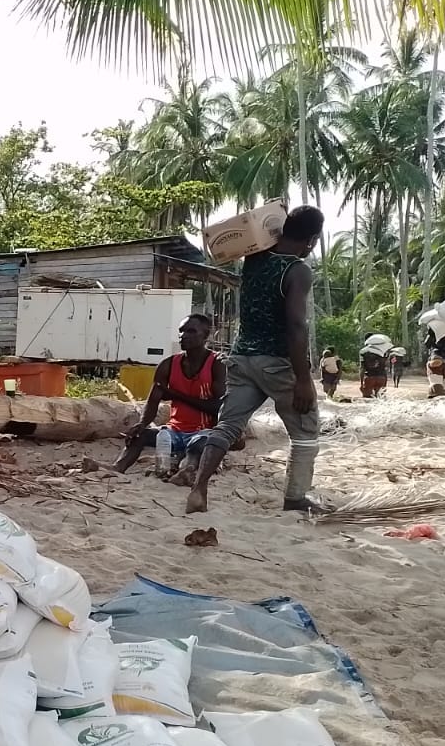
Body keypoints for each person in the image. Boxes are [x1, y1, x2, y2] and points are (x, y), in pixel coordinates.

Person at [187, 205, 325, 515]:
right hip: (276, 362)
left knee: (227, 426)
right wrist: (303, 379)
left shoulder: (254, 259)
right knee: (305, 433)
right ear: (312, 239)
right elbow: (295, 325)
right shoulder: (297, 270)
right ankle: (295, 498)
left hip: (242, 358)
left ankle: (198, 488)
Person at [114, 313, 226, 479]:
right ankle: (117, 467)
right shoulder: (168, 364)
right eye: (181, 331)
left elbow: (219, 407)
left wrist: (176, 395)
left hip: (204, 432)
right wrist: (142, 424)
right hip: (174, 431)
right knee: (140, 435)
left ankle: (188, 469)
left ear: (205, 335)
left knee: (198, 444)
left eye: (191, 331)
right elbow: (153, 402)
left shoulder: (217, 364)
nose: (183, 336)